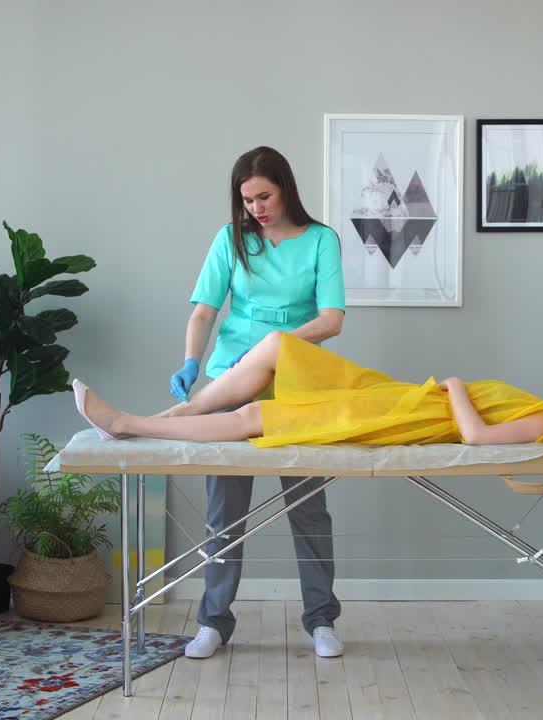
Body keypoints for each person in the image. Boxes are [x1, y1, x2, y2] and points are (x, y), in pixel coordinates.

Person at [165, 146, 347, 660]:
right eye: (247, 200)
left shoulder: (320, 241)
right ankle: (213, 623)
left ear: (285, 188)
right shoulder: (232, 240)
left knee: (310, 512)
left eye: (263, 196)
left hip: (295, 385)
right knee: (224, 513)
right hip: (230, 382)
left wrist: (276, 345)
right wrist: (191, 361)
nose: (255, 208)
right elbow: (204, 312)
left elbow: (332, 319)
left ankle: (321, 620)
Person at [75, 331, 543, 449]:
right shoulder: (541, 408)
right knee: (276, 348)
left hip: (401, 417)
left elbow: (477, 437)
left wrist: (456, 385)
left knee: (257, 418)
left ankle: (129, 424)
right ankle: (172, 414)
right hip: (397, 395)